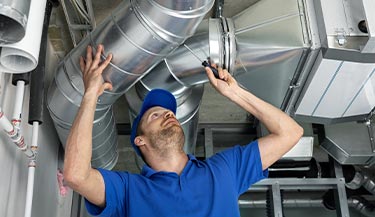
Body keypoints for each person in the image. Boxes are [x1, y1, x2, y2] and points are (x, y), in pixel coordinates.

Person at [63, 44, 303, 217]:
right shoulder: (127, 191)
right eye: (155, 115)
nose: (168, 114)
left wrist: (235, 93)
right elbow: (75, 175)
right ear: (140, 140)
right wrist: (91, 95)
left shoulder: (224, 170)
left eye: (170, 114)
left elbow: (290, 132)